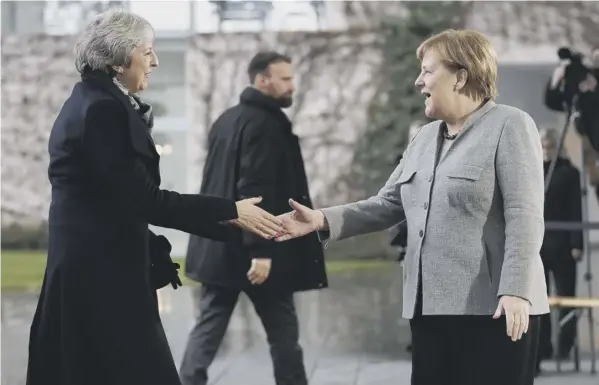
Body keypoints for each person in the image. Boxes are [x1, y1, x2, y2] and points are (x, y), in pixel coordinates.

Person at [276, 29, 549, 385]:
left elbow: (525, 216)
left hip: (495, 309)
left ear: (461, 76)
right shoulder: (424, 138)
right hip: (430, 309)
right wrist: (320, 219)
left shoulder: (510, 125)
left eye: (428, 70)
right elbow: (388, 203)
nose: (419, 80)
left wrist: (515, 290)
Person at [26, 9, 284, 385]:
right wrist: (230, 210)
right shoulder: (102, 110)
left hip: (97, 272)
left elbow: (112, 201)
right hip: (101, 281)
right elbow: (144, 200)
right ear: (118, 60)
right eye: (147, 52)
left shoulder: (94, 101)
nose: (156, 61)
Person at [179, 52, 327, 385]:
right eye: (285, 79)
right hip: (258, 251)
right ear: (263, 81)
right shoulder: (267, 124)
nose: (292, 85)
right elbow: (255, 190)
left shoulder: (227, 119)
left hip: (220, 247)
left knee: (209, 327)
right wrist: (261, 251)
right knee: (284, 337)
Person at [536, 128, 583, 375]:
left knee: (566, 298)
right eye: (543, 147)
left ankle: (564, 346)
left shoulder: (569, 172)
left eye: (550, 147)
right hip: (538, 246)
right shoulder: (532, 171)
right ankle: (541, 348)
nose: (546, 151)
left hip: (563, 245)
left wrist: (577, 243)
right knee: (539, 300)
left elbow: (576, 208)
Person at [544, 45, 599, 199]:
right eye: (595, 58)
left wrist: (595, 89)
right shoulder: (582, 78)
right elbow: (553, 102)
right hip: (587, 141)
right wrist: (556, 80)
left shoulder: (593, 82)